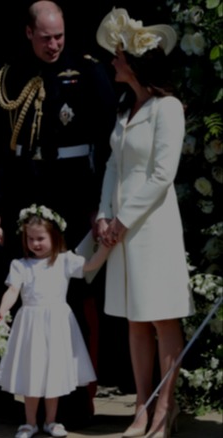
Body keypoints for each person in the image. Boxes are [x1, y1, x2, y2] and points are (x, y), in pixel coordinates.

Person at [0, 0, 117, 424]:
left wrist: (101, 206)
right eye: (46, 37)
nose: (54, 44)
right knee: (16, 293)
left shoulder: (87, 70)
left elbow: (107, 144)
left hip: (74, 194)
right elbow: (1, 150)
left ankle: (74, 400)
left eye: (59, 36)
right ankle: (13, 399)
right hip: (24, 190)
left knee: (72, 296)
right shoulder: (11, 74)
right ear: (29, 33)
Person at [94, 9, 194, 438]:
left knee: (161, 318)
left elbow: (162, 175)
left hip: (153, 228)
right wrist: (104, 215)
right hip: (121, 229)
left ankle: (165, 408)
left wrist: (122, 219)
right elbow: (114, 167)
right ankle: (142, 407)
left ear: (135, 62)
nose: (113, 60)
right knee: (135, 319)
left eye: (119, 55)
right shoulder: (126, 107)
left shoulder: (166, 108)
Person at [0, 204, 110, 438]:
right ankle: (29, 423)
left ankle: (51, 421)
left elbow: (91, 265)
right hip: (31, 325)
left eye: (40, 238)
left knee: (54, 374)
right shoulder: (21, 265)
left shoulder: (65, 260)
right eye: (31, 239)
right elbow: (13, 290)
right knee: (33, 373)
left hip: (57, 325)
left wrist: (106, 246)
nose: (35, 243)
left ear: (54, 237)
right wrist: (3, 309)